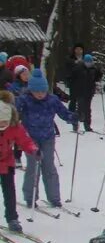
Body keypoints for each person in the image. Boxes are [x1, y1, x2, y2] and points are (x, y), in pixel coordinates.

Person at [15, 69, 75, 208]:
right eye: (37, 91)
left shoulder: (52, 100)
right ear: (31, 90)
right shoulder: (24, 99)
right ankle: (30, 197)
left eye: (42, 91)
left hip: (48, 137)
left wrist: (73, 117)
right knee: (33, 167)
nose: (40, 94)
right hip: (30, 139)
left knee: (49, 166)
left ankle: (54, 197)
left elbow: (63, 113)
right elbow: (14, 113)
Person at [0, 92, 38, 232]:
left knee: (9, 192)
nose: (3, 124)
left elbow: (25, 140)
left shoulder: (14, 126)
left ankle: (12, 219)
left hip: (7, 163)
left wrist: (34, 150)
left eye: (5, 122)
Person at [66, 53, 102, 133]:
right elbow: (71, 77)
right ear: (84, 61)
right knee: (80, 108)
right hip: (79, 91)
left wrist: (99, 73)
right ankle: (75, 124)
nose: (88, 63)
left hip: (89, 92)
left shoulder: (94, 69)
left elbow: (97, 78)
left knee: (87, 109)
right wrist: (70, 84)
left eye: (90, 62)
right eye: (87, 61)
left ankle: (87, 126)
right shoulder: (78, 68)